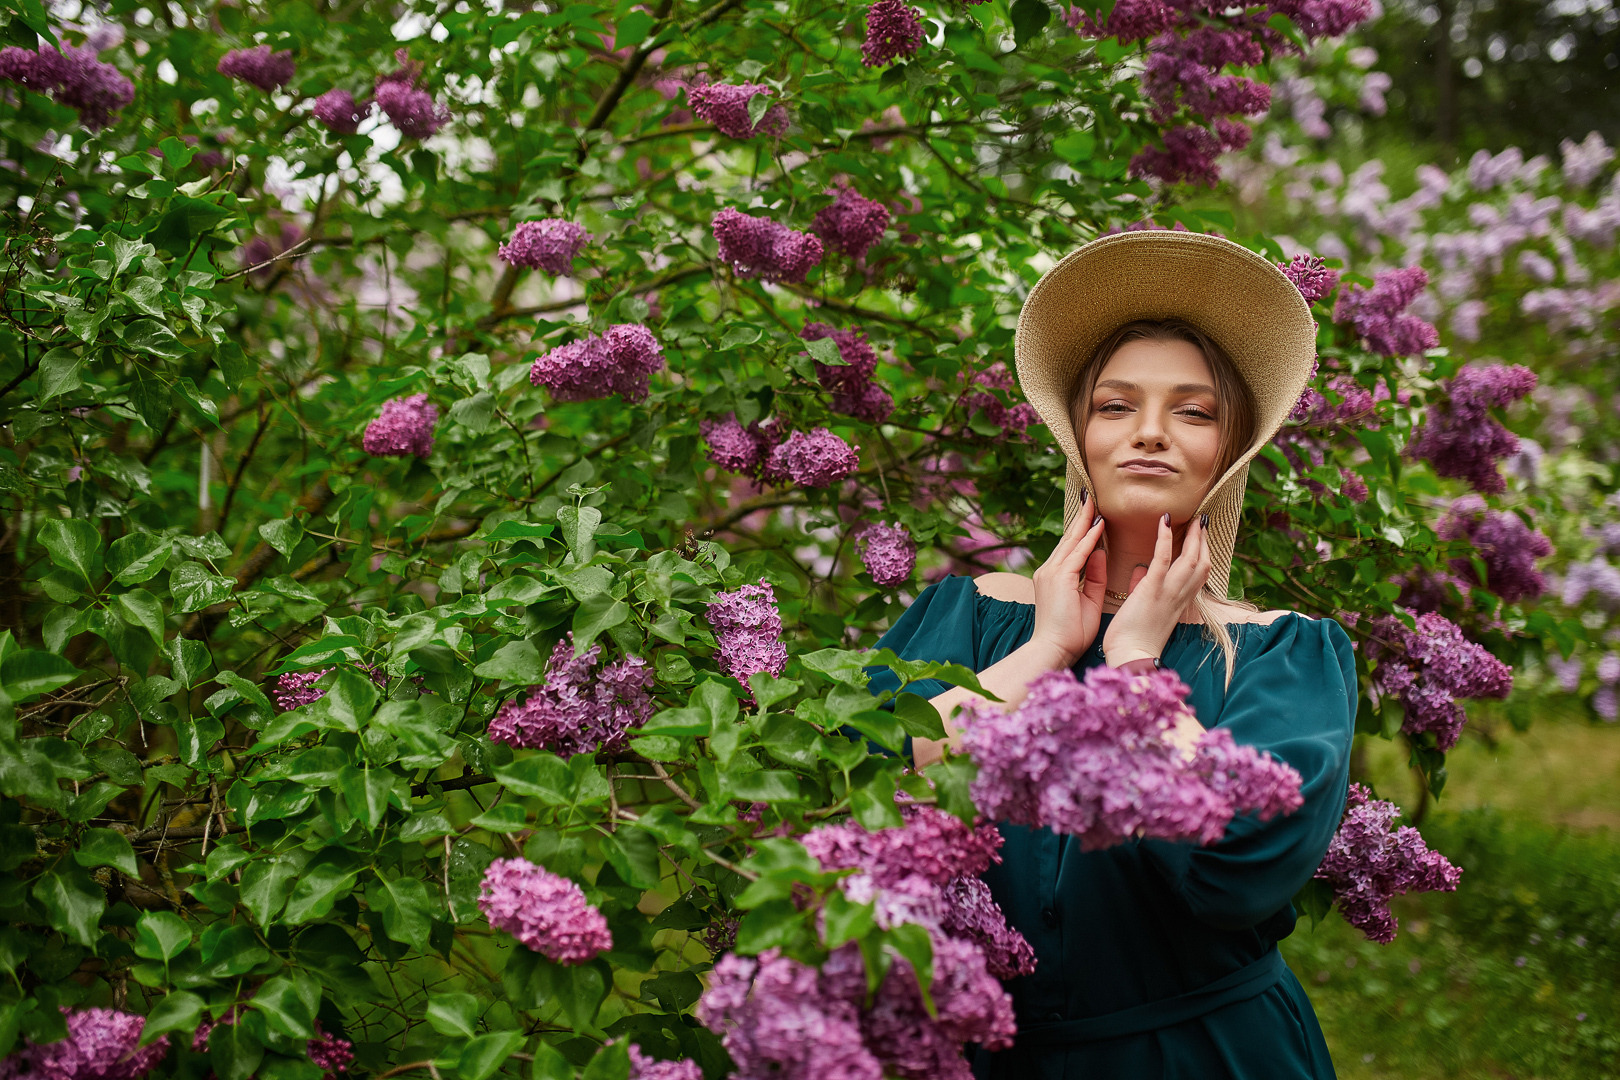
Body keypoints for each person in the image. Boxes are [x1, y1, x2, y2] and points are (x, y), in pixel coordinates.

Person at [864, 232, 1356, 1079]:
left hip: (1202, 1056)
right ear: (1080, 433)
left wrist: (1134, 666)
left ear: (1230, 448)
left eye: (1194, 411)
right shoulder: (971, 616)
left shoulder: (1284, 653)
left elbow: (1238, 865)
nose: (1152, 434)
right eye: (1117, 405)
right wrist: (1049, 648)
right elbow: (866, 784)